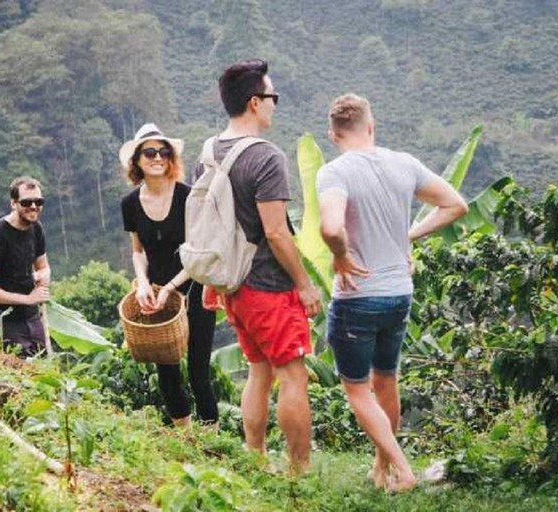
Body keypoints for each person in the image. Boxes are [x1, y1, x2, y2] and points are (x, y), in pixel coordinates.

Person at [317, 93, 468, 492]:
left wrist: (342, 255)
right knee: (387, 382)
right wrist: (408, 236)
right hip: (399, 293)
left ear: (334, 135)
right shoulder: (404, 163)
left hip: (357, 298)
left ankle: (402, 471)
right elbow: (456, 205)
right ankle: (380, 469)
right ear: (371, 126)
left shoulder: (335, 172)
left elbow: (331, 228)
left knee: (357, 391)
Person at [197, 59, 321, 474]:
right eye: (272, 97)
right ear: (254, 102)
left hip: (233, 285)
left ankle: (255, 457)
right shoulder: (266, 157)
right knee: (292, 377)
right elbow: (276, 232)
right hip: (268, 285)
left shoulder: (208, 152)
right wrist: (304, 283)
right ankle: (299, 471)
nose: (274, 105)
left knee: (258, 371)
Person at [120, 123, 219, 427]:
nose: (158, 157)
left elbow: (197, 250)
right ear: (137, 160)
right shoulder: (130, 204)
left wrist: (170, 288)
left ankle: (213, 442)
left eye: (164, 152)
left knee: (199, 372)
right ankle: (185, 438)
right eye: (150, 152)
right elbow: (138, 251)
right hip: (158, 290)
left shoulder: (189, 197)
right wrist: (143, 285)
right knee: (168, 372)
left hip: (194, 288)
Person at [0, 176, 51, 357]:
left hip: (31, 318)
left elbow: (43, 266)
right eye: (26, 202)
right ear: (13, 203)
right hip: (3, 321)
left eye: (38, 202)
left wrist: (44, 275)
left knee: (43, 370)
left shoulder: (36, 228)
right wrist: (28, 299)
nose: (33, 207)